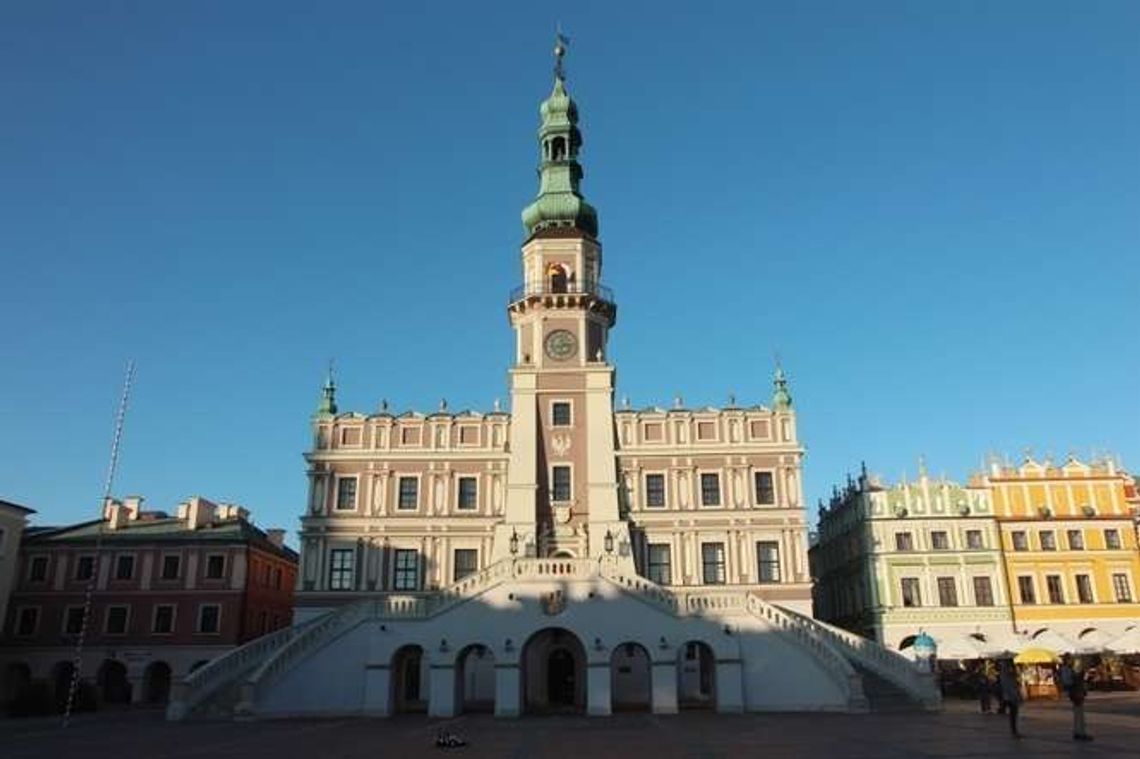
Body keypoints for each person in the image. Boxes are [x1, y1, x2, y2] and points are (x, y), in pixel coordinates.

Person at [1065, 659, 1093, 742]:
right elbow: (1080, 683)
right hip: (1078, 695)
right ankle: (1080, 733)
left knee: (1078, 714)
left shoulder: (1072, 673)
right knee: (1079, 715)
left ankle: (1078, 732)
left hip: (1075, 695)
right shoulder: (1077, 675)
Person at [998, 659, 1022, 738]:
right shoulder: (1007, 673)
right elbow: (1010, 686)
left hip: (1010, 695)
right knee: (1013, 714)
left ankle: (1014, 730)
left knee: (1013, 714)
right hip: (1011, 696)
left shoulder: (1005, 673)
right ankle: (1014, 731)